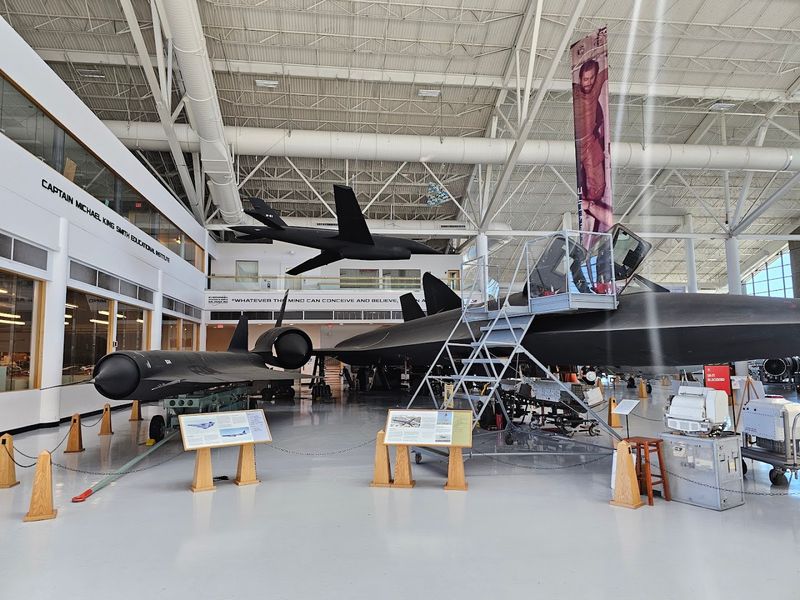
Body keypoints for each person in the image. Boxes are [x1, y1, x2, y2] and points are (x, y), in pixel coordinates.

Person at [573, 58, 612, 241]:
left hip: (588, 142)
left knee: (597, 188)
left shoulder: (594, 88)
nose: (588, 83)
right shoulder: (574, 91)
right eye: (585, 79)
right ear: (580, 78)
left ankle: (589, 207)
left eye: (591, 79)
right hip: (574, 144)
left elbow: (604, 73)